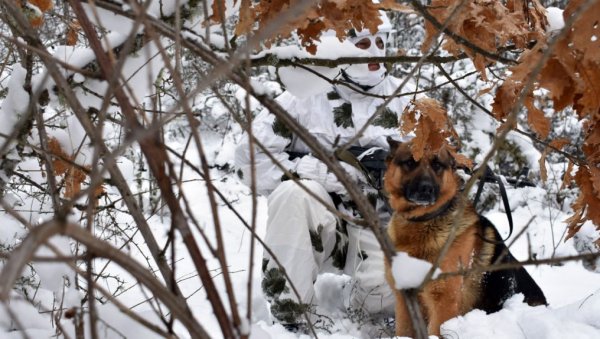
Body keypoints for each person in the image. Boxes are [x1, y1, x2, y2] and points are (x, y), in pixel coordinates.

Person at [235, 11, 416, 332]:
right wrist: (329, 172)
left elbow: (437, 177)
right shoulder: (306, 95)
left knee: (383, 296)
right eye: (363, 43)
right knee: (293, 195)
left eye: (380, 41)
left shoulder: (409, 101)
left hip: (384, 225)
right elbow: (251, 160)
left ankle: (362, 300)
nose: (373, 52)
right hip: (324, 221)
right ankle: (291, 313)